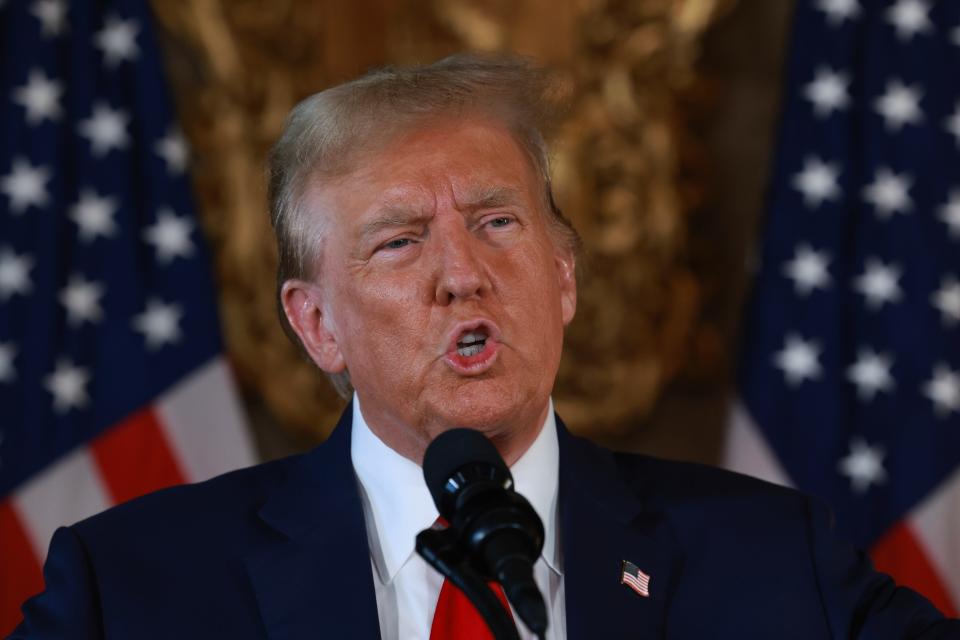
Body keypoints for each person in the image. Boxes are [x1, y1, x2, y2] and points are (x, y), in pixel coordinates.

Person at [11, 54, 959, 640]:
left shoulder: (774, 561)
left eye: (498, 222)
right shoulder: (130, 589)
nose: (461, 274)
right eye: (399, 240)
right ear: (315, 323)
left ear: (565, 277)